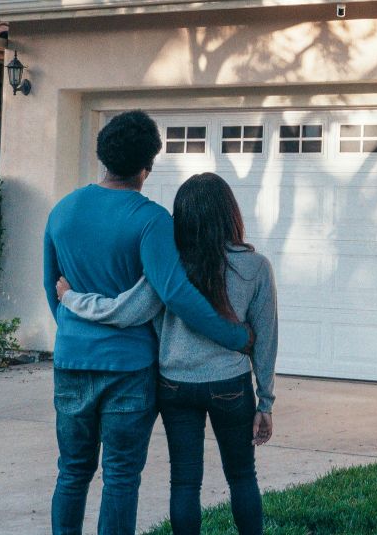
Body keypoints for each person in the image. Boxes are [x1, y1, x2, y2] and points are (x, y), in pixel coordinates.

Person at [44, 112, 253, 535]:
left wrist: (78, 334)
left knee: (72, 471)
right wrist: (233, 335)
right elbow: (176, 294)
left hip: (71, 361)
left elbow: (53, 290)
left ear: (103, 156)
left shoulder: (62, 211)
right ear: (148, 166)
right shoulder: (152, 220)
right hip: (129, 369)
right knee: (120, 477)